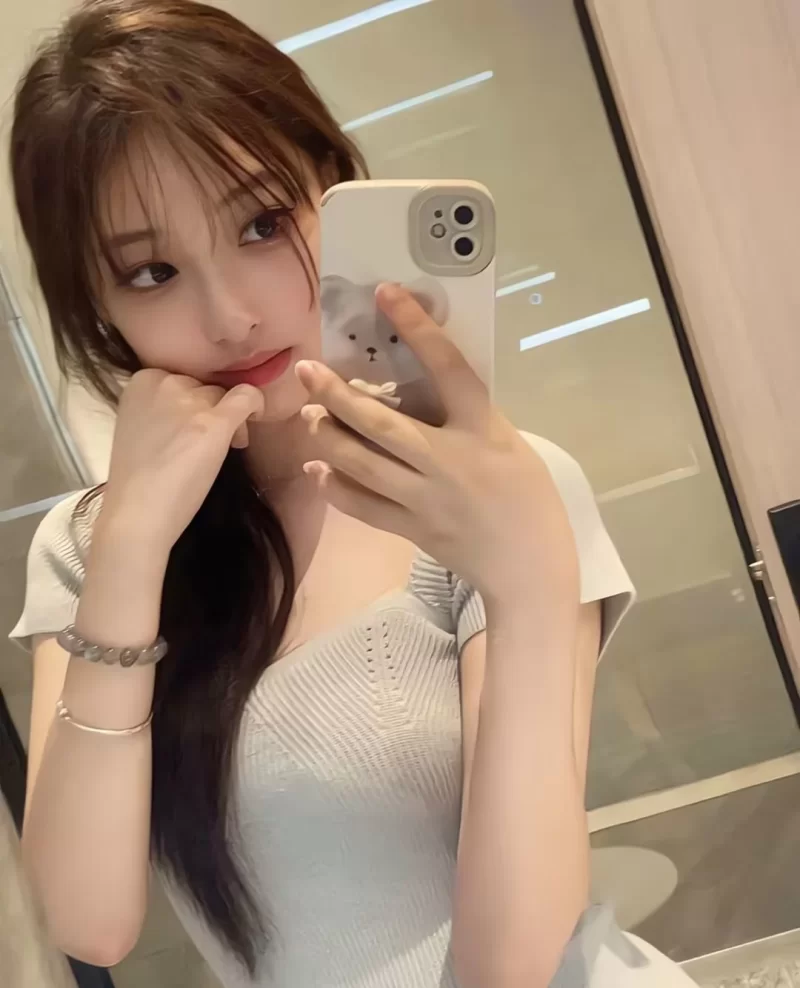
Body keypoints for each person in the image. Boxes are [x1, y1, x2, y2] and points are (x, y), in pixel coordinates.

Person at [6, 2, 686, 986]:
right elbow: (88, 922)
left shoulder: (494, 491)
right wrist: (132, 549)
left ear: (336, 187)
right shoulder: (89, 551)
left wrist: (529, 580)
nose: (231, 315)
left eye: (262, 223)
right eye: (152, 271)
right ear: (98, 309)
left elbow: (514, 966)